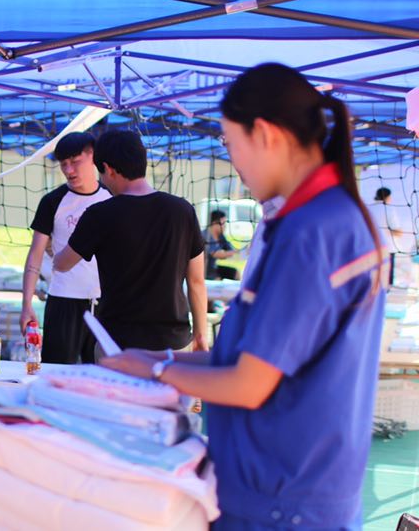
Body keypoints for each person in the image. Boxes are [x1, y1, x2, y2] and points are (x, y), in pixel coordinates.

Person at [101, 63, 385, 530]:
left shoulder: (311, 232)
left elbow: (249, 384)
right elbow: (249, 359)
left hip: (281, 502)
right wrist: (157, 358)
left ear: (266, 135)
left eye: (232, 145)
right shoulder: (328, 218)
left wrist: (156, 371)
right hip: (287, 492)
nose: (235, 164)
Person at [54, 129, 208, 354]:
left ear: (108, 169)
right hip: (173, 343)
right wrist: (201, 335)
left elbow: (62, 264)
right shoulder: (183, 210)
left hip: (117, 344)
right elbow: (196, 281)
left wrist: (52, 249)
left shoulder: (99, 215)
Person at [21, 132, 112, 365]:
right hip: (63, 299)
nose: (69, 170)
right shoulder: (52, 201)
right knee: (55, 370)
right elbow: (35, 254)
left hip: (104, 302)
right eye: (63, 164)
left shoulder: (111, 197)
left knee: (104, 374)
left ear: (92, 156)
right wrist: (26, 304)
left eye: (75, 162)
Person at [370, 187, 403, 286]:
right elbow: (397, 231)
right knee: (387, 283)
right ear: (387, 197)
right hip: (387, 248)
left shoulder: (368, 208)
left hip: (370, 249)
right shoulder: (389, 209)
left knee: (373, 280)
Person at [204, 210, 239, 280]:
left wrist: (238, 251)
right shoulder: (205, 235)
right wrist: (235, 252)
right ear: (214, 223)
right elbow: (216, 254)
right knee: (217, 278)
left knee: (236, 273)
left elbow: (231, 249)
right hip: (204, 269)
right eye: (223, 223)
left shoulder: (221, 236)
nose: (225, 226)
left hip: (214, 267)